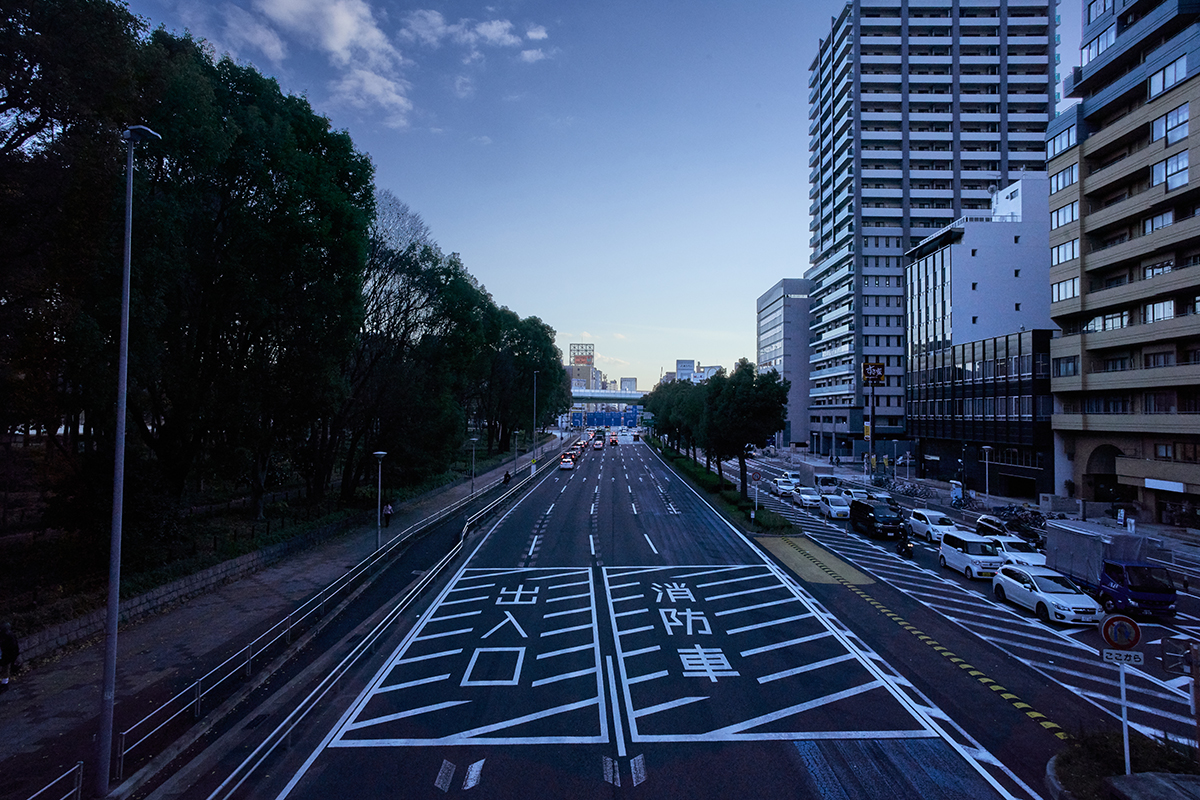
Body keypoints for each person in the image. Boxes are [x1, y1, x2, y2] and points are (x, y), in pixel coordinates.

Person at [0, 622, 18, 688]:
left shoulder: (7, 636)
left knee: (5, 668)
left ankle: (4, 683)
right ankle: (4, 683)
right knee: (5, 668)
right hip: (6, 655)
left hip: (5, 655)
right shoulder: (9, 635)